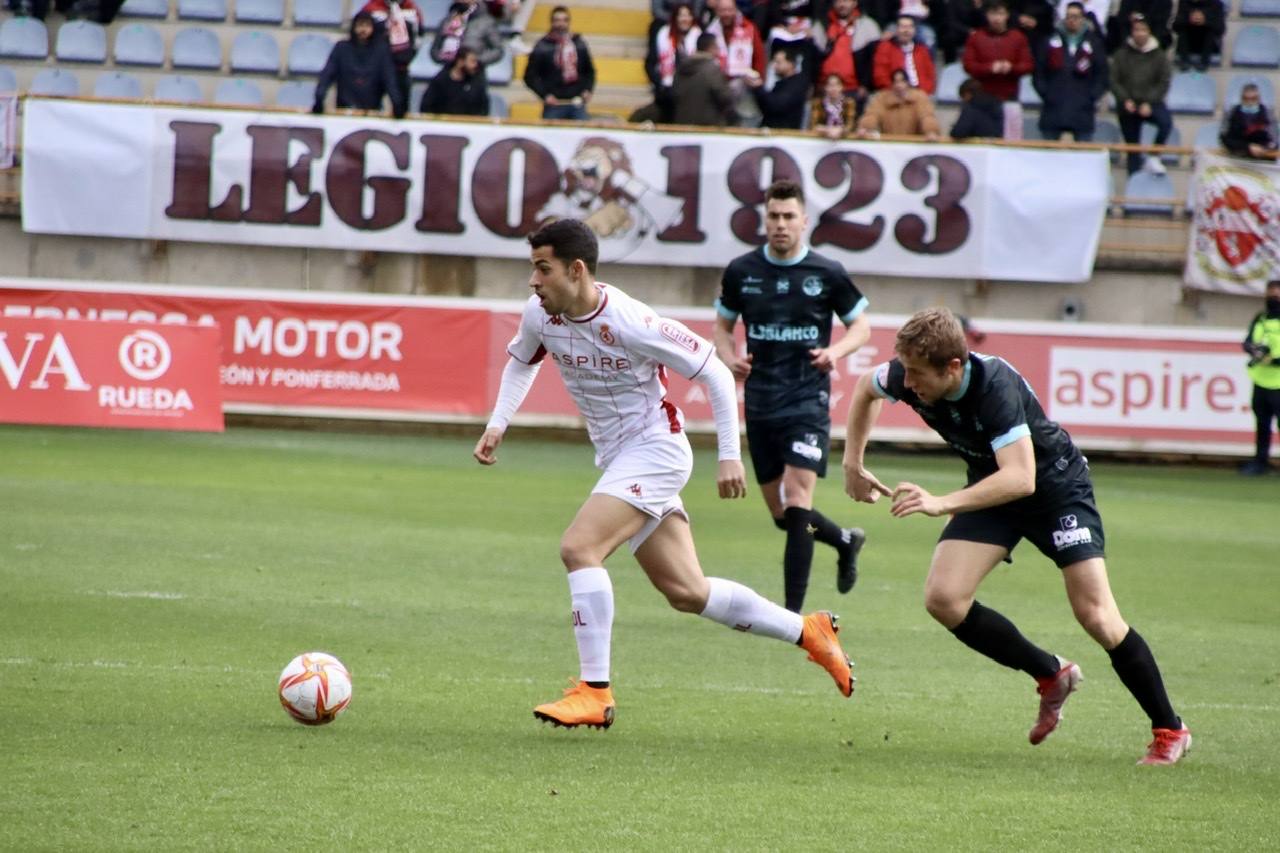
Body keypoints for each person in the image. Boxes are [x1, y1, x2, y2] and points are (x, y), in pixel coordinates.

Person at [473, 219, 856, 729]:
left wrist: (728, 454)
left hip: (655, 450)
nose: (534, 281)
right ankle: (809, 631)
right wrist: (499, 423)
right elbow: (522, 362)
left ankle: (595, 690)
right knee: (687, 592)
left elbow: (715, 371)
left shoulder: (632, 320)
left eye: (543, 269)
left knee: (579, 548)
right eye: (532, 269)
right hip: (618, 458)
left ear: (577, 269)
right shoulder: (540, 316)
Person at [841, 307, 1190, 765]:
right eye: (904, 370)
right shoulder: (907, 375)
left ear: (953, 367)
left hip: (1056, 492)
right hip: (994, 491)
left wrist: (941, 503)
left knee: (1097, 617)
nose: (907, 384)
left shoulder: (995, 389)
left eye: (917, 374)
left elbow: (1022, 478)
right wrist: (853, 462)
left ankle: (1170, 729)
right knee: (944, 599)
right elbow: (867, 389)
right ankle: (1051, 674)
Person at [713, 180, 871, 614]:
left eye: (788, 217)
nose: (780, 225)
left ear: (804, 222)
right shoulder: (741, 272)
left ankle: (792, 618)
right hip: (761, 402)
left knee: (799, 501)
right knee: (785, 517)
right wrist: (730, 358)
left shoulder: (828, 273)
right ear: (764, 221)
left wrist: (834, 352)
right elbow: (722, 329)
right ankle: (844, 540)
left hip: (807, 401)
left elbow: (862, 328)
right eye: (773, 217)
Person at [1032, 1, 1108, 142]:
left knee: (1083, 156)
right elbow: (1038, 72)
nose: (1071, 20)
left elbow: (1102, 74)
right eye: (1068, 16)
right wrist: (1047, 93)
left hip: (1082, 109)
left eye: (1075, 17)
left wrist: (1091, 96)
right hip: (1053, 107)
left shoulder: (1094, 43)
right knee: (1048, 155)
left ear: (1083, 19)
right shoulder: (1050, 41)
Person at [1111, 14, 1172, 175]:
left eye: (1143, 30)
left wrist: (1149, 102)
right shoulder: (1121, 55)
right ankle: (1133, 183)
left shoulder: (1159, 56)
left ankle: (1154, 156)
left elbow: (1163, 82)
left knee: (1165, 123)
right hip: (1128, 106)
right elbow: (1114, 80)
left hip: (1151, 103)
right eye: (1136, 30)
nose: (1140, 33)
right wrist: (1124, 99)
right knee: (1133, 150)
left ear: (1149, 32)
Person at [313, 11, 405, 118]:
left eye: (367, 25)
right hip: (344, 113)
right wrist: (319, 97)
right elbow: (327, 75)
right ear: (354, 27)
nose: (363, 30)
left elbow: (390, 79)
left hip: (372, 113)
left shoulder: (381, 51)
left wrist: (397, 103)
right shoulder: (341, 48)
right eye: (360, 25)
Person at [523, 6, 597, 120]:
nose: (561, 24)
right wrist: (545, 95)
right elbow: (530, 76)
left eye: (564, 20)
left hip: (577, 103)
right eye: (557, 20)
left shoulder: (579, 44)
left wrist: (588, 89)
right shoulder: (542, 46)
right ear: (552, 22)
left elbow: (590, 71)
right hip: (554, 105)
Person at [1240, 280, 1280, 476]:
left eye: (1277, 294)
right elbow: (1248, 342)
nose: (1273, 297)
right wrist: (1253, 350)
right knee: (1262, 424)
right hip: (1261, 380)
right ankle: (1260, 462)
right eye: (1271, 293)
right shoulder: (1261, 319)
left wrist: (1272, 359)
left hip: (1279, 382)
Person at [360, 0, 425, 115]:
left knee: (401, 109)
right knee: (369, 109)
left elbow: (418, 38)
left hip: (400, 69)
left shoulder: (413, 9)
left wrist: (406, 57)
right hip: (374, 70)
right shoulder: (371, 8)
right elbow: (361, 35)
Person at [961, 0, 1033, 103]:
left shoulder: (1018, 37)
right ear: (986, 15)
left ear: (1007, 15)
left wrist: (1011, 67)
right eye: (993, 14)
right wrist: (989, 68)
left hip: (1009, 95)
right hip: (981, 95)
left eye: (1000, 14)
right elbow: (968, 65)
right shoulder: (976, 38)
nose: (996, 18)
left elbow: (1028, 65)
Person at [645, 2, 703, 122]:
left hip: (691, 91)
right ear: (675, 17)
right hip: (666, 91)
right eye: (681, 15)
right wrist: (660, 84)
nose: (685, 19)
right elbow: (650, 64)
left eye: (688, 15)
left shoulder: (700, 36)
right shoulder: (662, 34)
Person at [818, 0, 882, 104]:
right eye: (838, 1)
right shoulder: (822, 24)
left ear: (855, 2)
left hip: (854, 90)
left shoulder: (867, 25)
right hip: (825, 89)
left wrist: (865, 85)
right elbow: (814, 58)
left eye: (846, 1)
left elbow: (874, 60)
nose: (842, 5)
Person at [672, 32, 738, 125]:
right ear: (712, 47)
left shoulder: (681, 67)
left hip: (683, 124)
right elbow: (725, 97)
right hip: (707, 128)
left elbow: (674, 93)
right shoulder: (712, 69)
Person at [856, 67, 942, 137]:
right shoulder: (882, 98)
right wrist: (865, 127)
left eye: (902, 81)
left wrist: (931, 131)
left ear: (907, 83)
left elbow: (927, 116)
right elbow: (872, 114)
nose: (899, 85)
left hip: (914, 145)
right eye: (896, 82)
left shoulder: (919, 97)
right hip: (889, 145)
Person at [745, 46, 812, 128]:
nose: (774, 66)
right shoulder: (780, 84)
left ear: (790, 63)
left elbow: (777, 105)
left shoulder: (798, 84)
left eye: (778, 62)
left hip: (784, 132)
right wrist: (757, 89)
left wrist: (759, 87)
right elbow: (766, 108)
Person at [430, 0, 506, 69]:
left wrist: (476, 60)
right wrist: (443, 58)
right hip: (449, 72)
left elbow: (498, 50)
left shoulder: (486, 21)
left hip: (474, 74)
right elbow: (435, 49)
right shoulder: (447, 20)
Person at [873, 15, 938, 94]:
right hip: (893, 93)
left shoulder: (922, 50)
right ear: (896, 30)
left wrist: (922, 92)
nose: (906, 30)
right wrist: (898, 91)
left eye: (910, 27)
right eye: (903, 27)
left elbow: (930, 76)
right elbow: (880, 76)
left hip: (920, 94)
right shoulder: (885, 48)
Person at [419, 46, 490, 115]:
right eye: (472, 61)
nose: (475, 65)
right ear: (460, 61)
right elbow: (426, 107)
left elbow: (483, 110)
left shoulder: (477, 83)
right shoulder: (440, 80)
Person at [1220, 83, 1279, 160]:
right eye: (1246, 99)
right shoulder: (1231, 113)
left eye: (1253, 98)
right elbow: (1224, 138)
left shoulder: (1268, 114)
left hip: (1263, 157)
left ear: (1259, 99)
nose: (1249, 102)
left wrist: (1263, 148)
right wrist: (1247, 147)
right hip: (1237, 156)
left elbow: (1274, 140)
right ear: (1241, 99)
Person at [1171, 0, 1223, 71]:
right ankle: (1184, 62)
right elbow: (1175, 27)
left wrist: (1205, 20)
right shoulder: (1184, 2)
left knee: (1210, 31)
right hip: (1188, 43)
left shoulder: (1216, 4)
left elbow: (1220, 30)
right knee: (1183, 30)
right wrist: (1189, 19)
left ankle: (1204, 63)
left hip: (1208, 45)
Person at [812, 72, 859, 137]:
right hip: (822, 138)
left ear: (842, 87)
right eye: (830, 85)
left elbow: (850, 125)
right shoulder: (818, 103)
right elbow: (814, 125)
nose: (833, 89)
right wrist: (828, 130)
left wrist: (840, 130)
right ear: (825, 87)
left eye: (837, 85)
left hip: (844, 139)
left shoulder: (849, 103)